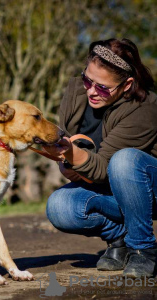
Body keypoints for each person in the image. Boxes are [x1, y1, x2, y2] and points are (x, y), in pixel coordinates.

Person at [43, 38, 157, 278]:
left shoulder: (146, 107)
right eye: (88, 79)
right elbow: (73, 143)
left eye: (103, 87)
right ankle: (120, 239)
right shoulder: (76, 92)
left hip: (146, 188)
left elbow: (105, 168)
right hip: (106, 188)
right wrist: (64, 159)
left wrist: (69, 154)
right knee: (60, 206)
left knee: (124, 160)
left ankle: (143, 248)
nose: (92, 91)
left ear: (126, 85)